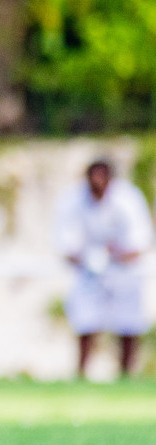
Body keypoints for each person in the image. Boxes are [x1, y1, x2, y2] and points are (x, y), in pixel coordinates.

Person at [55, 159, 153, 378]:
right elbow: (65, 242)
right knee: (85, 321)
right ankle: (81, 372)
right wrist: (86, 257)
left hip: (125, 271)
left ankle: (126, 373)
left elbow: (141, 240)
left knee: (128, 323)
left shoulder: (128, 199)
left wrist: (118, 254)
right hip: (89, 271)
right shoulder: (72, 199)